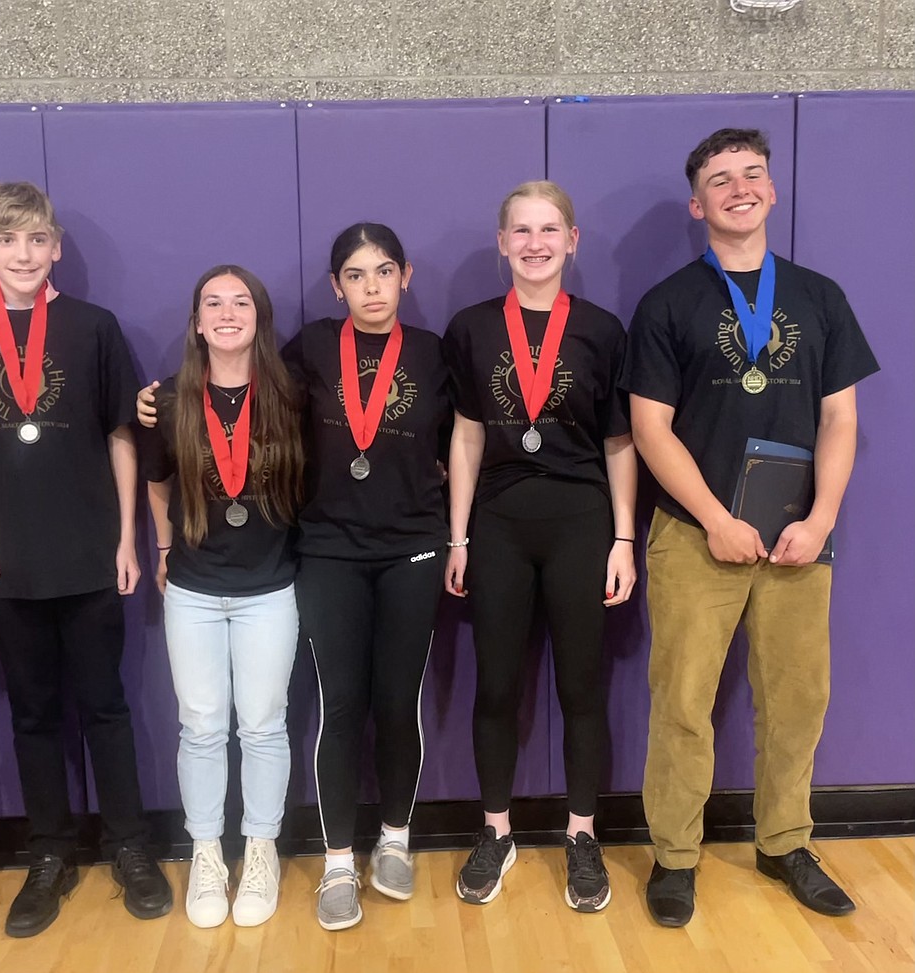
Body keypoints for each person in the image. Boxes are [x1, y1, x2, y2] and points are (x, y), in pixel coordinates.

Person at [139, 224, 451, 930]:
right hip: (323, 553)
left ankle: (375, 843)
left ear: (405, 275)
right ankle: (326, 860)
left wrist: (453, 526)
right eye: (355, 275)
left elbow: (461, 436)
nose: (371, 287)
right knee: (315, 708)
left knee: (383, 703)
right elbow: (185, 444)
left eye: (383, 272)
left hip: (401, 550)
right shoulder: (306, 353)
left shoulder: (429, 354)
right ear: (336, 285)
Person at [622, 128, 878, 927]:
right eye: (720, 179)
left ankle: (785, 841)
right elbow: (650, 427)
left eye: (752, 174)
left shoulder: (820, 295)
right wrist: (714, 518)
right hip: (698, 534)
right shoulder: (667, 303)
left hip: (799, 534)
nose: (739, 187)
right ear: (698, 204)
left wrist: (821, 515)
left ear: (771, 190)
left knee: (799, 697)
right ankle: (675, 855)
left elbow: (840, 418)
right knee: (683, 701)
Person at [0, 182, 171, 938]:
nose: (23, 254)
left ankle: (129, 844)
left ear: (55, 246)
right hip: (4, 558)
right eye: (7, 241)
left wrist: (126, 535)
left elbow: (121, 433)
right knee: (31, 712)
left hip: (89, 546)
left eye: (36, 240)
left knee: (105, 705)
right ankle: (49, 851)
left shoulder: (94, 327)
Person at [442, 181, 637, 912]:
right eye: (520, 230)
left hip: (581, 522)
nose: (534, 242)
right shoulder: (470, 327)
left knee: (581, 685)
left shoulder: (601, 329)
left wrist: (623, 537)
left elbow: (620, 440)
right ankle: (496, 830)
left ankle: (582, 833)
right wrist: (457, 535)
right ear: (501, 243)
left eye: (548, 228)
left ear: (572, 239)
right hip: (496, 525)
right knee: (497, 685)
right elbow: (464, 435)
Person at [139, 266, 304, 928]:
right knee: (201, 725)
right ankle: (208, 851)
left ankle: (260, 848)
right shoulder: (170, 399)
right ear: (197, 321)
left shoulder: (290, 397)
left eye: (242, 301)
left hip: (270, 587)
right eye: (214, 301)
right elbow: (156, 482)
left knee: (263, 723)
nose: (228, 311)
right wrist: (160, 547)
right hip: (195, 589)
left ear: (259, 318)